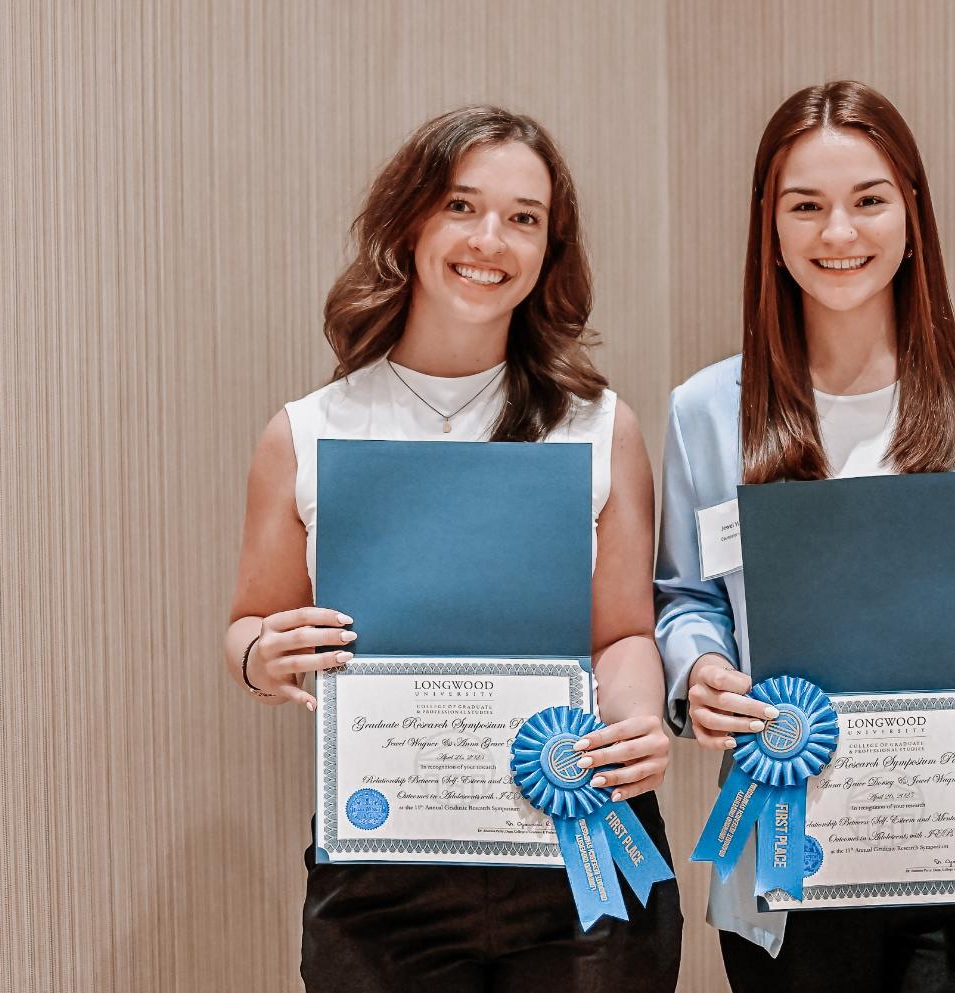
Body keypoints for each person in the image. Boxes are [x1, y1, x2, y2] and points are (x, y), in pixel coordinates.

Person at [654, 80, 955, 993]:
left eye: (869, 201)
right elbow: (687, 597)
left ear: (912, 213)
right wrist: (698, 673)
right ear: (770, 230)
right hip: (793, 849)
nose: (839, 235)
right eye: (806, 207)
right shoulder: (709, 409)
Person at [223, 106, 680, 993]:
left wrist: (635, 725)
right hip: (383, 878)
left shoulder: (600, 426)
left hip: (580, 863)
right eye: (461, 206)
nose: (490, 239)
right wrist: (259, 655)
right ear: (411, 222)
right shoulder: (307, 434)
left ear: (551, 249)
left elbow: (622, 633)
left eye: (524, 218)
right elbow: (247, 625)